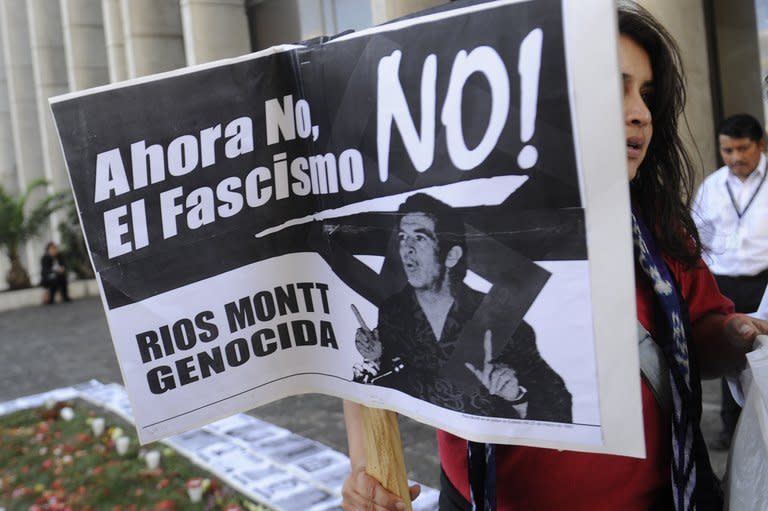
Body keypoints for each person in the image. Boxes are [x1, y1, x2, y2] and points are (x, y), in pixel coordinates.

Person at [341, 3, 768, 510]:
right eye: (616, 88)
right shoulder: (460, 231)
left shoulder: (661, 227)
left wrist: (734, 336)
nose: (641, 113)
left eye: (647, 94)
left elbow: (701, 337)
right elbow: (356, 358)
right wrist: (365, 472)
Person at [352, 193, 572, 422]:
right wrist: (377, 357)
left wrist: (517, 396)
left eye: (420, 238)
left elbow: (558, 401)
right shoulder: (393, 312)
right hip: (441, 443)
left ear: (451, 255)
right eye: (403, 237)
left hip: (502, 448)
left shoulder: (498, 318)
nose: (406, 248)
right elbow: (397, 379)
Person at [692, 113, 768, 450]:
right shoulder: (712, 185)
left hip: (763, 280)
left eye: (743, 148)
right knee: (730, 355)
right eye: (727, 150)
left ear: (760, 145)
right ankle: (733, 430)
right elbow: (698, 237)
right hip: (723, 282)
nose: (735, 157)